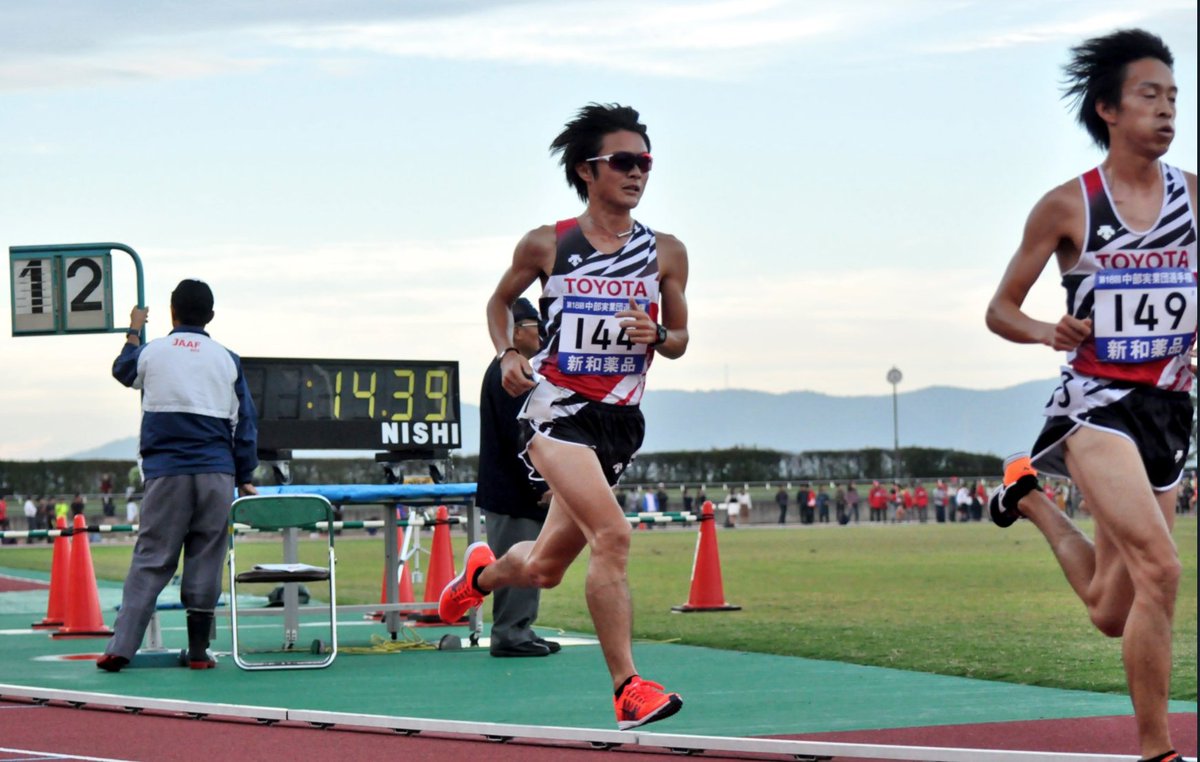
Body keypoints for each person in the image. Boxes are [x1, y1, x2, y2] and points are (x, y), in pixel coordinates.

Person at [438, 103, 688, 730]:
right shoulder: (548, 243)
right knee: (615, 536)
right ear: (587, 170)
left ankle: (481, 575)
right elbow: (498, 301)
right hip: (556, 410)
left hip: (620, 421)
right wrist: (504, 355)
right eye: (624, 162)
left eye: (646, 162)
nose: (639, 173)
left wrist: (657, 333)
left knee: (545, 568)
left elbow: (682, 337)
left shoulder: (666, 253)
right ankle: (627, 688)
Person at [984, 29, 1194, 762]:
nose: (1168, 111)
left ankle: (1030, 499)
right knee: (1162, 570)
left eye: (1174, 97)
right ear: (1108, 108)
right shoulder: (1068, 205)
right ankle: (1156, 751)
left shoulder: (1194, 198)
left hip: (1168, 410)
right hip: (1095, 407)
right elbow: (1000, 309)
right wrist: (1049, 328)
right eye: (1150, 96)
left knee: (1113, 609)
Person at [97, 279, 258, 673]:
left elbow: (122, 371)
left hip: (166, 474)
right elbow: (246, 424)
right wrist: (245, 476)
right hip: (217, 474)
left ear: (172, 312)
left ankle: (121, 648)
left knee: (152, 559)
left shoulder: (153, 352)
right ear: (211, 316)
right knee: (207, 557)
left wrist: (134, 328)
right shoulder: (227, 359)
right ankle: (200, 653)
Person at [477, 297, 559, 658]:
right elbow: (523, 433)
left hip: (511, 485)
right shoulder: (514, 371)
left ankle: (520, 628)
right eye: (533, 326)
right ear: (514, 332)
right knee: (519, 561)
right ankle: (510, 632)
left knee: (529, 561)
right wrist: (542, 482)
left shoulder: (511, 369)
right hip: (514, 488)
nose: (541, 333)